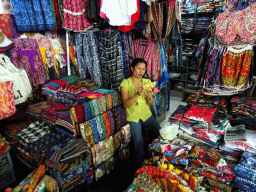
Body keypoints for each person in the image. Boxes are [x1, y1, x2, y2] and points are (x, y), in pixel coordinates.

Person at [118, 58, 161, 169]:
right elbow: (125, 104)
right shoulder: (125, 83)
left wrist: (150, 96)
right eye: (138, 68)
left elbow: (149, 103)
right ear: (132, 68)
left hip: (145, 114)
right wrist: (137, 94)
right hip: (133, 116)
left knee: (160, 133)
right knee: (138, 140)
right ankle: (140, 166)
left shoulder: (147, 82)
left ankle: (158, 158)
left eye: (143, 69)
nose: (141, 71)